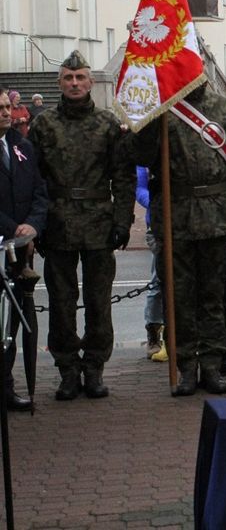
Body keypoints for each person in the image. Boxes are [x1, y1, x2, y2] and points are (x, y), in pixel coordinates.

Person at [129, 82, 226, 396]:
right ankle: (186, 368)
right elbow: (141, 155)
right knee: (178, 299)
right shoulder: (163, 109)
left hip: (216, 217)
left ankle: (211, 366)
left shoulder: (223, 108)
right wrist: (149, 119)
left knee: (213, 298)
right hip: (175, 216)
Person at [30, 50, 134, 400]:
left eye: (81, 78)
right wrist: (37, 224)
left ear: (90, 81)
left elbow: (122, 177)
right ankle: (67, 370)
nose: (75, 84)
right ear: (59, 83)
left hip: (98, 224)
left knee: (98, 301)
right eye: (68, 78)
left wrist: (123, 220)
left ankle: (94, 369)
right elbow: (35, 180)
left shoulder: (107, 124)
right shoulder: (43, 125)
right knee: (61, 302)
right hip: (58, 223)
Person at [0, 89, 47, 411]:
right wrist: (11, 228)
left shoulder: (21, 146)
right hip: (3, 240)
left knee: (10, 326)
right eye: (0, 108)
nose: (6, 112)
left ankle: (6, 387)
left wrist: (32, 225)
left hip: (20, 251)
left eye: (7, 106)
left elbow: (40, 192)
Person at [135, 165, 166, 362]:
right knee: (158, 282)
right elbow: (139, 189)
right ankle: (153, 333)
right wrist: (157, 203)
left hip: (184, 221)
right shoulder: (145, 161)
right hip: (157, 223)